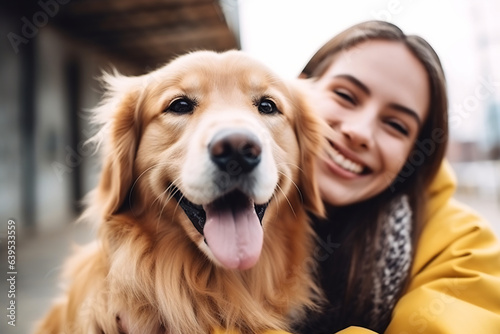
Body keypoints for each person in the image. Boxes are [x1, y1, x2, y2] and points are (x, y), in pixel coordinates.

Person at [284, 20, 500, 333]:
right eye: (345, 95)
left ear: (414, 154)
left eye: (397, 126)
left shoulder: (464, 246)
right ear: (297, 91)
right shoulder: (204, 208)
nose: (360, 133)